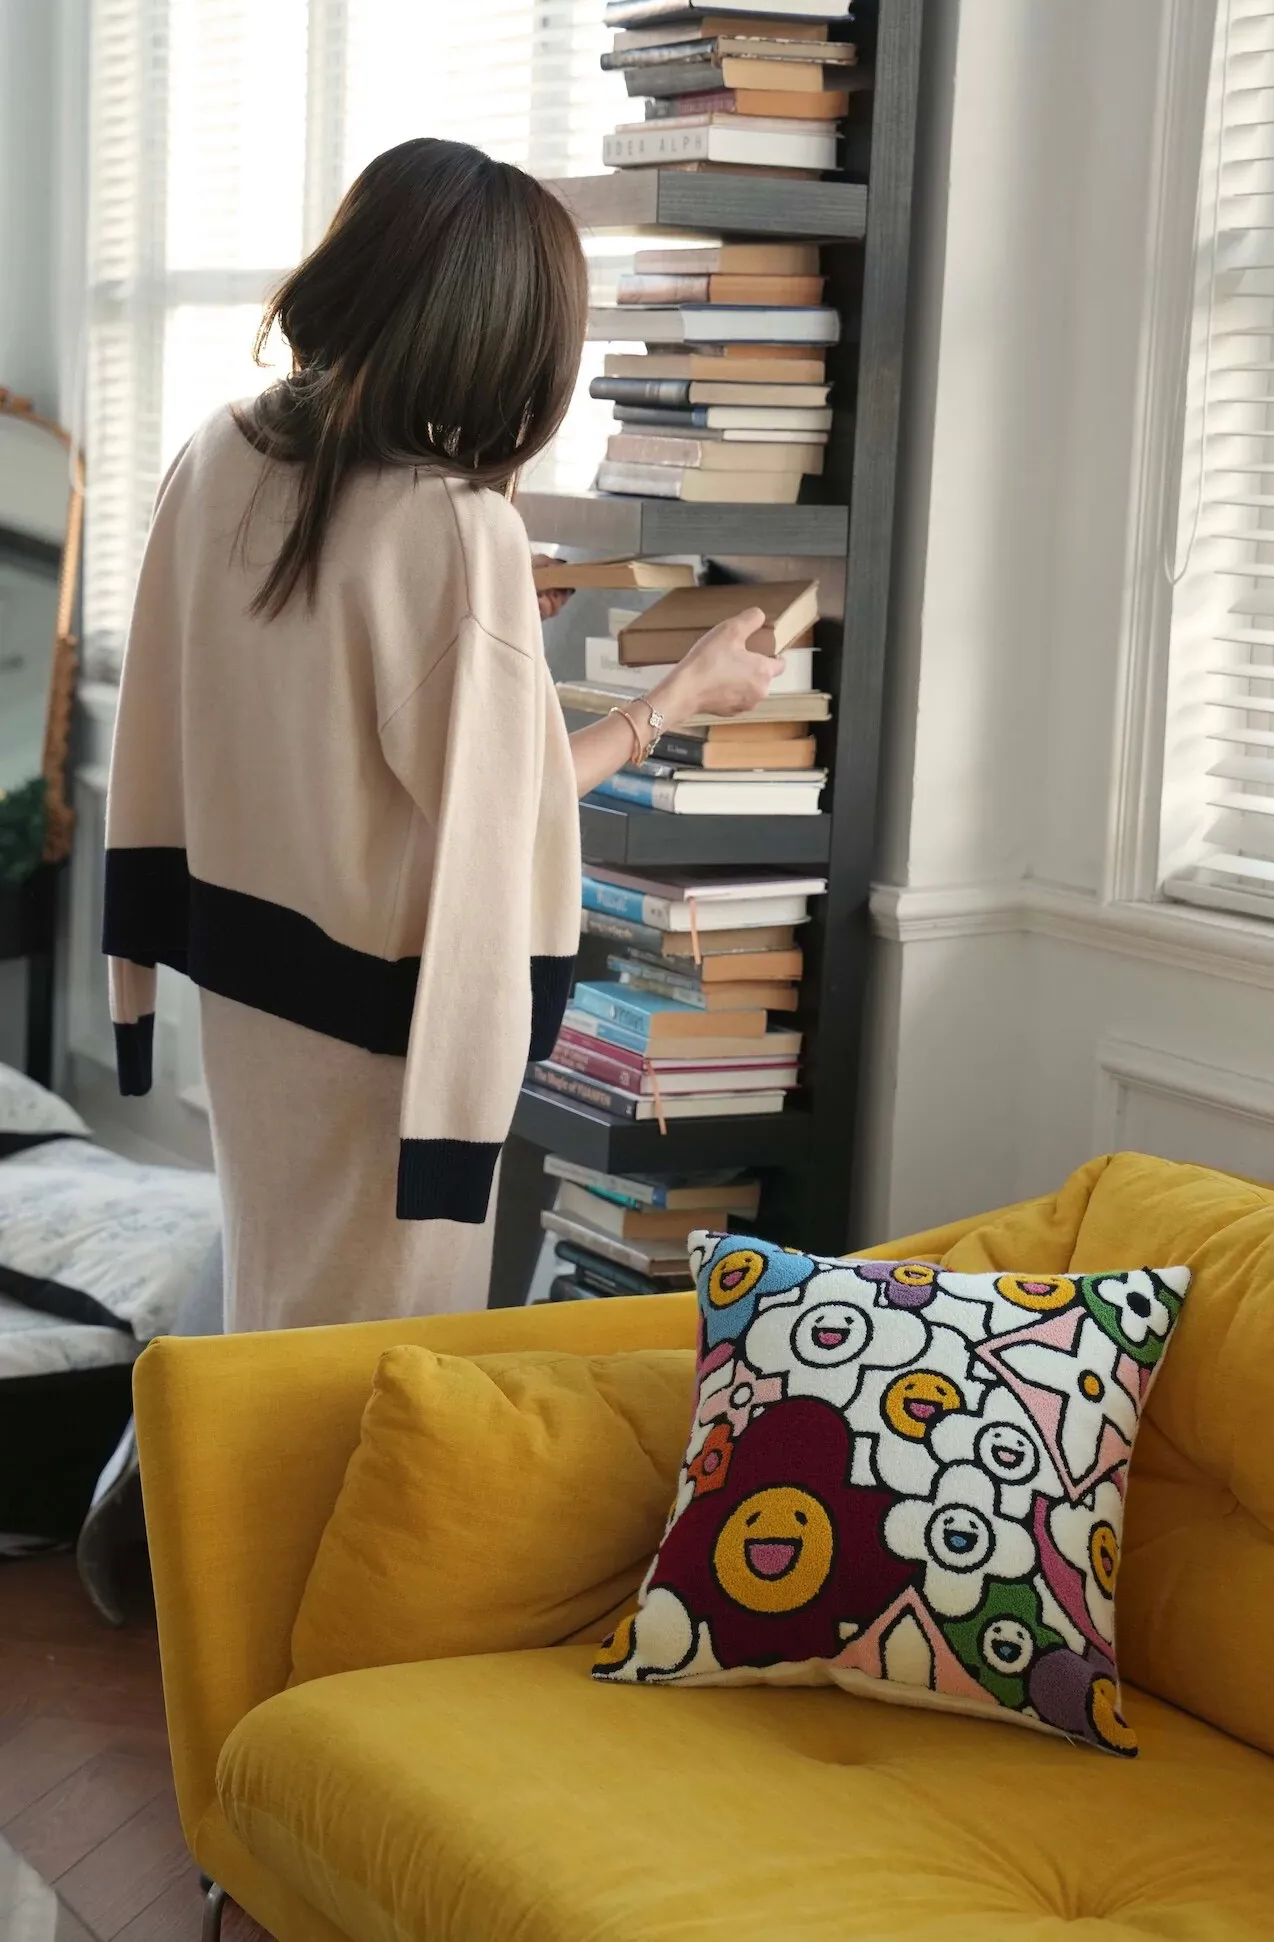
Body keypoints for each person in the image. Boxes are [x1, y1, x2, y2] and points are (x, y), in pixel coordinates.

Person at [102, 137, 780, 1331]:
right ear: (500, 340)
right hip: (386, 1038)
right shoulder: (451, 526)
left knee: (273, 1324)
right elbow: (507, 819)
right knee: (375, 1365)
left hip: (252, 997)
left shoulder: (221, 447)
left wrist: (489, 620)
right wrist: (675, 699)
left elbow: (283, 673)